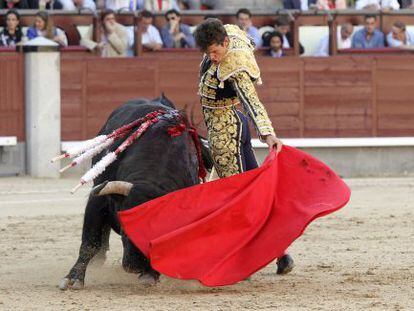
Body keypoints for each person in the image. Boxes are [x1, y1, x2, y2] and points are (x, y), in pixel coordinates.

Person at [193, 18, 294, 274]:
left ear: (225, 43)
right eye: (208, 53)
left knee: (236, 200)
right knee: (253, 192)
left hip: (226, 134)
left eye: (216, 51)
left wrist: (268, 134)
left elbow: (251, 100)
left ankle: (240, 261)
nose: (213, 57)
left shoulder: (234, 66)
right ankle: (280, 254)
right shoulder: (227, 36)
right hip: (234, 126)